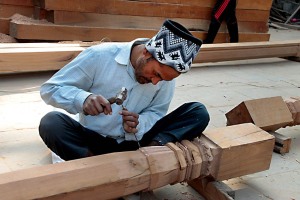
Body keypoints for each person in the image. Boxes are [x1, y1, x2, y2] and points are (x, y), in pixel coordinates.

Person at [39, 19, 210, 162]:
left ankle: (147, 159)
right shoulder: (99, 56)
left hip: (138, 144)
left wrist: (139, 123)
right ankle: (97, 170)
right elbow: (50, 89)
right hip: (94, 140)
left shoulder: (164, 78)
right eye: (156, 74)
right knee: (51, 123)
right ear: (145, 52)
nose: (156, 82)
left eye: (164, 79)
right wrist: (82, 98)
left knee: (197, 112)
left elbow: (157, 113)